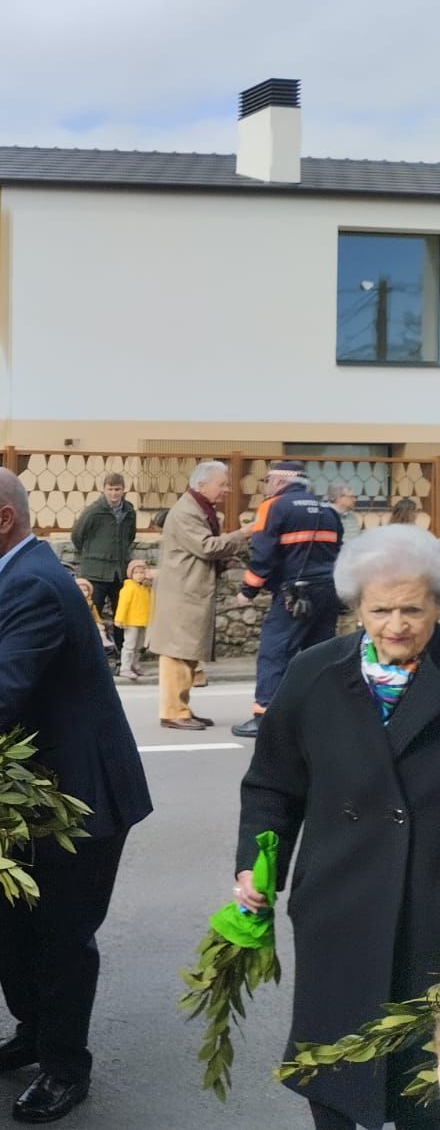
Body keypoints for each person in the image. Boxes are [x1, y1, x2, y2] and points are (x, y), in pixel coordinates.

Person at [0, 468, 152, 1124]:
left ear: (5, 519)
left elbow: (3, 693)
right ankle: (33, 1032)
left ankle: (65, 1067)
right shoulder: (12, 577)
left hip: (78, 798)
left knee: (60, 937)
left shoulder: (32, 582)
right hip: (27, 796)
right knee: (12, 920)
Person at [231, 525, 440, 1130]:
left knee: (423, 1084)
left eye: (412, 609)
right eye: (380, 609)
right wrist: (255, 866)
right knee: (338, 1072)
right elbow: (273, 784)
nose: (395, 623)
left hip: (431, 904)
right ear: (355, 607)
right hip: (339, 905)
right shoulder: (314, 673)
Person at [231, 462, 342, 738]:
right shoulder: (329, 510)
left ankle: (265, 716)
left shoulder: (274, 506)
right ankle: (321, 716)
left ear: (280, 481)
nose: (266, 485)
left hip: (295, 594)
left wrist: (248, 591)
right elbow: (337, 550)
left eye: (267, 480)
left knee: (275, 651)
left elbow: (263, 555)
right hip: (328, 591)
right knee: (321, 654)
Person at [146, 461, 252, 730]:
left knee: (188, 652)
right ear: (201, 485)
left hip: (190, 590)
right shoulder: (185, 512)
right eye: (222, 484)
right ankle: (173, 711)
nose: (227, 490)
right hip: (182, 591)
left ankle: (181, 707)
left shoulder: (198, 509)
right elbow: (206, 546)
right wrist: (244, 534)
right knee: (177, 652)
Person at [69, 472, 136, 653]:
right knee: (92, 614)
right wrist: (92, 553)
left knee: (121, 614)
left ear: (123, 490)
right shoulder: (93, 511)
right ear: (104, 489)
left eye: (118, 489)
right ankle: (90, 654)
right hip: (95, 572)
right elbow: (77, 535)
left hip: (119, 571)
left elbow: (130, 536)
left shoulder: (129, 511)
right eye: (110, 489)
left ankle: (122, 654)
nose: (114, 494)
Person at [113, 559, 153, 680]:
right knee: (129, 645)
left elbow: (151, 604)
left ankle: (135, 665)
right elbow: (123, 605)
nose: (139, 575)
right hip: (131, 622)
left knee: (139, 646)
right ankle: (125, 668)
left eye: (142, 572)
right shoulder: (128, 588)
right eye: (136, 573)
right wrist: (119, 619)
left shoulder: (146, 588)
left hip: (143, 621)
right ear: (131, 574)